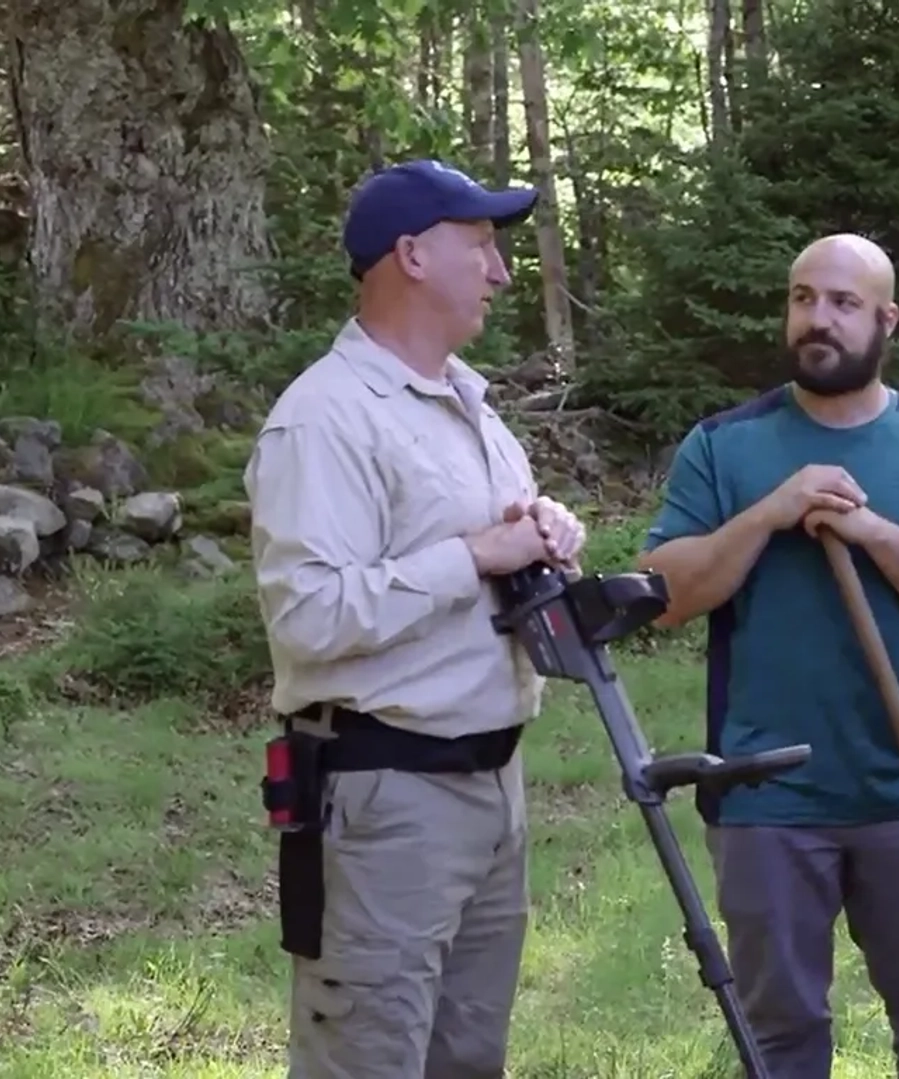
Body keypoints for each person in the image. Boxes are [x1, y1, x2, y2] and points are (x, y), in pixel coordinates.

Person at [635, 233, 899, 1078]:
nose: (818, 319)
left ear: (887, 320)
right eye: (804, 298)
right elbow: (662, 594)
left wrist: (873, 530)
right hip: (763, 796)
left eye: (843, 304)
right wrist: (770, 512)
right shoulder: (725, 446)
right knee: (780, 1030)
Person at [243, 158, 588, 1079]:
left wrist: (545, 532)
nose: (502, 270)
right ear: (412, 255)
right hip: (384, 794)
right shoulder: (323, 421)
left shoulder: (471, 408)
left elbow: (496, 555)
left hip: (492, 788)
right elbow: (308, 617)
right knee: (367, 1060)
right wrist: (474, 554)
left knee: (467, 1059)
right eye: (481, 244)